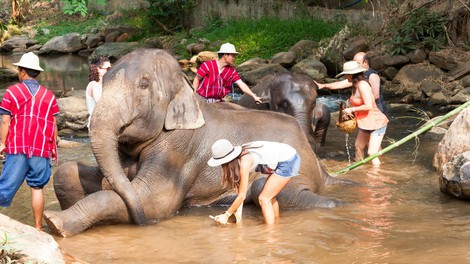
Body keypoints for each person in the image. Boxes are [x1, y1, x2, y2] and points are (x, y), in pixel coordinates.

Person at [0, 52, 60, 230]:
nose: (18, 72)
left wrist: (2, 143)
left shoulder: (12, 92)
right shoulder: (49, 96)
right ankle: (38, 228)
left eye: (19, 70)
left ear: (23, 72)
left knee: (5, 186)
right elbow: (54, 124)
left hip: (17, 146)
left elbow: (5, 121)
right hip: (41, 149)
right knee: (37, 187)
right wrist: (54, 147)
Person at [207, 139, 300, 225]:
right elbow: (241, 193)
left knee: (264, 199)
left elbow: (242, 196)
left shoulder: (244, 163)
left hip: (288, 160)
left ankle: (271, 234)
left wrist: (227, 214)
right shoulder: (239, 157)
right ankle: (276, 224)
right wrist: (237, 216)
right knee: (270, 197)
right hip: (284, 157)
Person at [336, 61, 388, 166]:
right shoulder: (354, 85)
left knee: (372, 153)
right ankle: (359, 170)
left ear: (351, 74)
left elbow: (368, 106)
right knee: (358, 147)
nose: (345, 77)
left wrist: (352, 110)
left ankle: (376, 176)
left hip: (376, 123)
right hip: (365, 124)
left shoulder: (362, 85)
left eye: (346, 74)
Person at [316, 52, 388, 116]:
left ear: (365, 62)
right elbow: (340, 84)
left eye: (357, 63)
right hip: (365, 110)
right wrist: (323, 86)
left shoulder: (372, 75)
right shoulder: (358, 76)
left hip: (377, 110)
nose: (355, 65)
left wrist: (355, 107)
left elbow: (376, 96)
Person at [192, 43, 262, 103]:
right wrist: (194, 94)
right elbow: (197, 79)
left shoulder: (231, 71)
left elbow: (241, 84)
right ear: (225, 55)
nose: (234, 58)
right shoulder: (207, 66)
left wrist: (253, 96)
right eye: (233, 56)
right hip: (202, 100)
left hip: (218, 102)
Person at [85, 56, 111, 128]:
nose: (110, 71)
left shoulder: (104, 84)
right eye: (107, 68)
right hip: (97, 124)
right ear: (98, 68)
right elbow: (100, 103)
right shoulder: (94, 85)